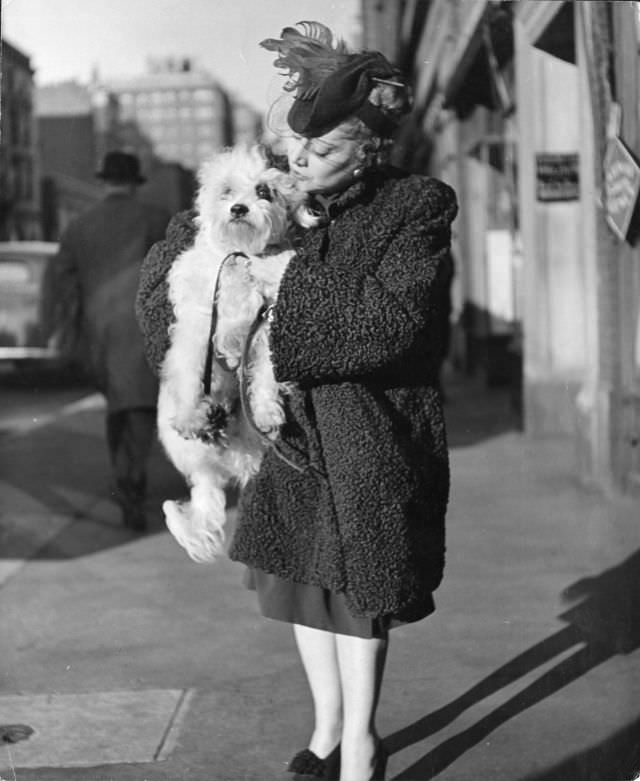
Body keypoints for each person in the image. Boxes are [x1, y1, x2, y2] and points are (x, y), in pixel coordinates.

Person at [136, 22, 457, 781]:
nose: (303, 158)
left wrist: (282, 282)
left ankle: (360, 746)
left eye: (324, 147)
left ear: (368, 148)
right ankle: (325, 729)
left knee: (357, 592)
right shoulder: (279, 187)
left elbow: (389, 323)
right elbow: (178, 269)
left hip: (364, 431)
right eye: (301, 146)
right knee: (300, 588)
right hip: (279, 435)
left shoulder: (416, 207)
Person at [43, 151, 170, 531]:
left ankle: (127, 482)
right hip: (144, 332)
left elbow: (62, 283)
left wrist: (68, 329)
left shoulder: (79, 226)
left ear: (103, 182)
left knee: (119, 410)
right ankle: (131, 484)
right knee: (140, 412)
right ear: (134, 182)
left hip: (98, 337)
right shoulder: (155, 219)